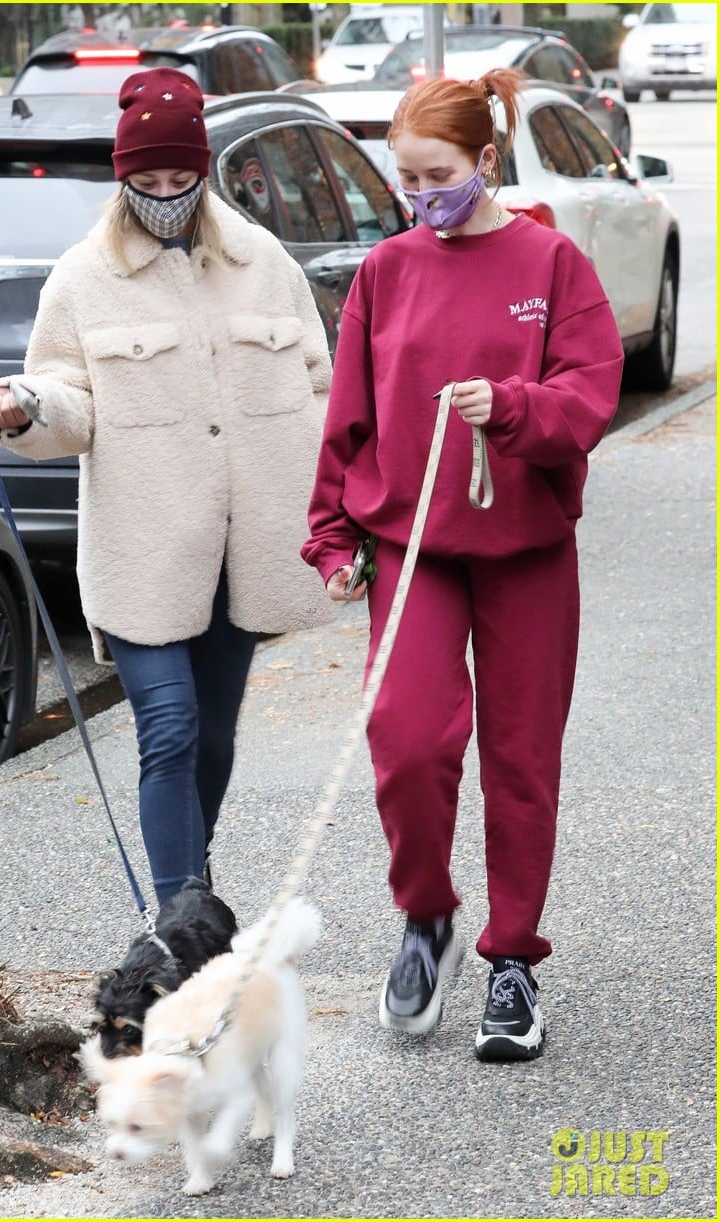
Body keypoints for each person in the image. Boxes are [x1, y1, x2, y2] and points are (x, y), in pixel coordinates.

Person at [301, 70, 624, 1060]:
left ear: (485, 162)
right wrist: (333, 535)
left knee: (520, 761)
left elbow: (590, 391)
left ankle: (513, 961)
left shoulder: (552, 261)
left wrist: (516, 405)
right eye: (404, 179)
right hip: (412, 547)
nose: (419, 195)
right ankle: (426, 917)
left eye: (435, 174)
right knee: (405, 740)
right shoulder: (385, 273)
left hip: (525, 549)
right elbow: (346, 417)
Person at [0, 67, 334, 907]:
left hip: (241, 551)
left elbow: (319, 388)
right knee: (166, 729)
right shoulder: (82, 275)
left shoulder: (261, 260)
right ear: (121, 175)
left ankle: (192, 884)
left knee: (211, 738)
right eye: (147, 182)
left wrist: (337, 513)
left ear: (204, 172)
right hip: (140, 549)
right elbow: (69, 403)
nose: (166, 196)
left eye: (181, 180)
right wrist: (24, 407)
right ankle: (176, 917)